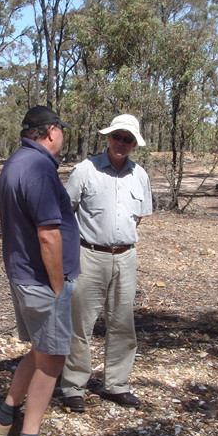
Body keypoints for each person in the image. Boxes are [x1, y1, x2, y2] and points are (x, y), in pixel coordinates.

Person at [0, 105, 81, 436]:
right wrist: (58, 286)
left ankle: (3, 419)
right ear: (52, 131)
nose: (63, 137)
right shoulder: (40, 168)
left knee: (40, 350)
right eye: (62, 131)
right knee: (53, 359)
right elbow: (48, 235)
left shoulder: (15, 162)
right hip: (43, 281)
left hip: (23, 275)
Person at [60, 114, 153, 412]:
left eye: (128, 139)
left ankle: (116, 385)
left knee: (123, 323)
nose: (121, 143)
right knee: (80, 325)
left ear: (134, 144)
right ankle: (74, 386)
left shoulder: (140, 175)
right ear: (108, 137)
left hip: (126, 256)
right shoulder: (85, 170)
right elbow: (65, 213)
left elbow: (138, 217)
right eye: (117, 137)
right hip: (88, 255)